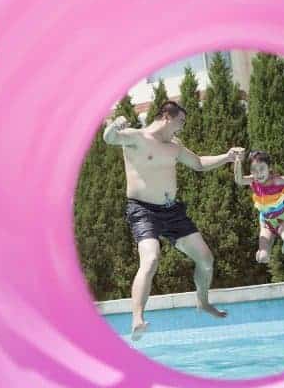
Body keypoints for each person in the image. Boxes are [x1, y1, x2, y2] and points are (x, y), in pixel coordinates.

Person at [103, 101, 243, 340]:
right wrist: (114, 125)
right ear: (167, 117)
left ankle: (203, 302)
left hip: (172, 212)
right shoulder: (136, 137)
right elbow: (110, 138)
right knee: (151, 259)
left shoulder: (174, 147)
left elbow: (198, 163)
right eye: (181, 121)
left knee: (206, 259)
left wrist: (228, 157)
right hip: (143, 211)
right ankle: (137, 317)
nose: (182, 127)